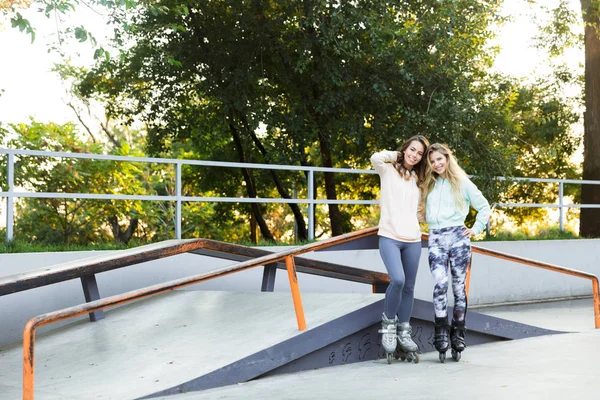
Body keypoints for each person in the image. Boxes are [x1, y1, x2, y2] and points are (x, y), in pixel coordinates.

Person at [420, 143, 490, 362]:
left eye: (439, 159)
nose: (436, 164)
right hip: (436, 238)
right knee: (440, 283)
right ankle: (441, 330)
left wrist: (476, 229)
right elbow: (421, 213)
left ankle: (458, 332)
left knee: (458, 287)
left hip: (459, 238)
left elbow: (484, 207)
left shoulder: (462, 183)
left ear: (447, 158)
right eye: (432, 161)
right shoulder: (428, 185)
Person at [370, 135, 429, 364]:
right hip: (389, 236)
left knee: (410, 286)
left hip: (413, 239)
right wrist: (397, 156)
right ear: (405, 149)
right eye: (411, 150)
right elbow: (375, 157)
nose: (414, 155)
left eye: (419, 153)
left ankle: (404, 331)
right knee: (398, 280)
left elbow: (420, 213)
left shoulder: (418, 179)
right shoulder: (388, 170)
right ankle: (389, 327)